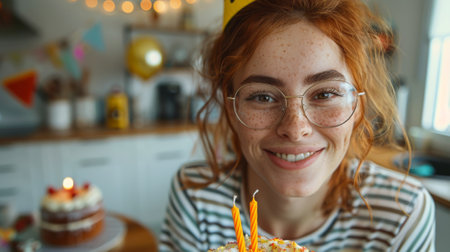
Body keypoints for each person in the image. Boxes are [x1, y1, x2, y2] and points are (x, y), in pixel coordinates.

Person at [159, 0, 436, 251]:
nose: (295, 128)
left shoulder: (402, 214)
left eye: (325, 94)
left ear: (359, 106)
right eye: (262, 96)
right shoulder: (195, 197)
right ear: (231, 109)